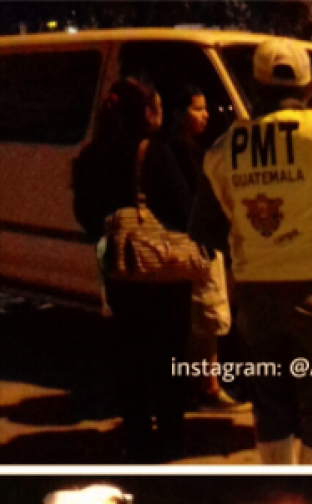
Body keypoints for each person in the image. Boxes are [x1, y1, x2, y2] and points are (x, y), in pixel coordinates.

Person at [188, 38, 312, 464]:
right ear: (309, 88)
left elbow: (204, 230)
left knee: (271, 410)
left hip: (256, 301)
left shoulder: (223, 149)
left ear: (255, 87)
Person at [71, 77, 192, 463]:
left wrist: (113, 231)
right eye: (156, 108)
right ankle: (169, 438)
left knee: (130, 356)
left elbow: (84, 212)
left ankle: (137, 438)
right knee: (169, 356)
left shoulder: (92, 155)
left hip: (119, 271)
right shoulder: (153, 153)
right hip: (162, 275)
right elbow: (183, 207)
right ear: (145, 114)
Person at [163, 83, 248, 413]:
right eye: (197, 108)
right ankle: (207, 387)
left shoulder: (191, 147)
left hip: (198, 244)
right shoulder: (181, 149)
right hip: (198, 247)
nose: (205, 114)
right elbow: (192, 201)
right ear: (177, 113)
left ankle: (202, 384)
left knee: (204, 321)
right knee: (207, 320)